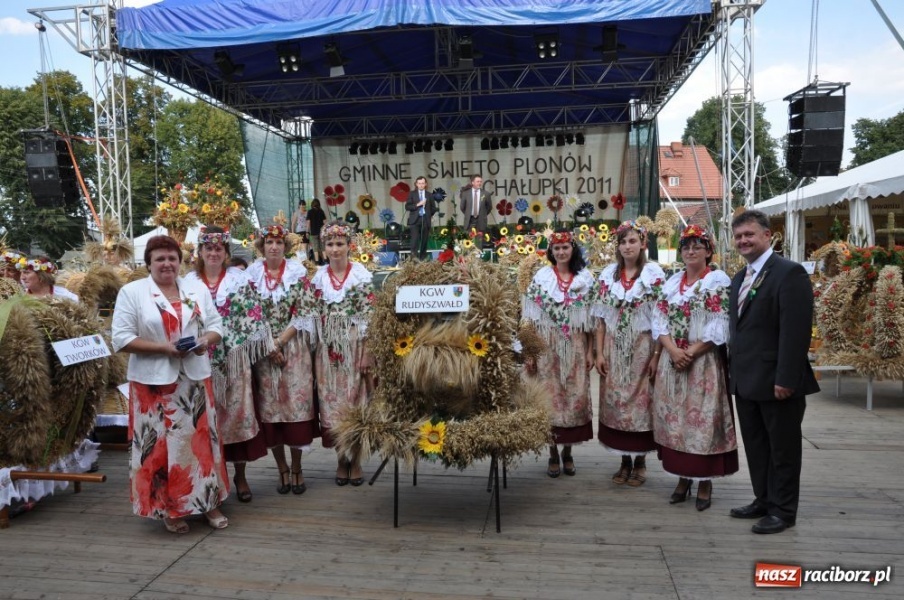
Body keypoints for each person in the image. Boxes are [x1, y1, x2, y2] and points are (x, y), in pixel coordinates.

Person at [111, 235, 229, 534]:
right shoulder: (132, 292)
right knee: (160, 448)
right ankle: (168, 507)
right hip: (153, 385)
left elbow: (217, 325)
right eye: (160, 259)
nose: (166, 264)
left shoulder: (195, 287)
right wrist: (165, 348)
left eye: (172, 258)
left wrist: (204, 341)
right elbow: (121, 339)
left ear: (180, 261)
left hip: (193, 379)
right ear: (148, 263)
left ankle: (208, 502)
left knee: (200, 445)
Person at [728, 209, 818, 534]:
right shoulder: (739, 278)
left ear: (768, 236)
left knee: (783, 449)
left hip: (776, 380)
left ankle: (783, 510)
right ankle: (763, 499)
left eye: (749, 234)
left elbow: (796, 332)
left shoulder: (788, 273)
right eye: (738, 236)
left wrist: (786, 378)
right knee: (756, 445)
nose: (743, 241)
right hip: (746, 379)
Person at [651, 225, 738, 511]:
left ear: (708, 251)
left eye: (697, 246)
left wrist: (689, 352)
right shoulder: (671, 282)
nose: (690, 251)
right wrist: (673, 351)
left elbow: (719, 326)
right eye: (686, 246)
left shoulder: (716, 281)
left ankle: (704, 480)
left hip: (702, 361)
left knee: (701, 420)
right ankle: (682, 477)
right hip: (673, 358)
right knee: (675, 419)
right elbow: (659, 320)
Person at [231, 224, 319, 496]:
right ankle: (281, 468)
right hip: (263, 350)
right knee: (272, 410)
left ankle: (296, 467)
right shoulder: (251, 276)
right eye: (269, 242)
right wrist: (269, 345)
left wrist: (280, 341)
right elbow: (249, 313)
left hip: (293, 348)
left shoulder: (298, 273)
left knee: (296, 408)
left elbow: (305, 311)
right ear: (261, 246)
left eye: (279, 243)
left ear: (286, 247)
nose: (274, 247)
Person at [183, 226, 263, 503]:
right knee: (205, 421)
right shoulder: (188, 283)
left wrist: (233, 348)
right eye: (209, 248)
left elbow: (253, 316)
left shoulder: (239, 280)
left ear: (226, 252)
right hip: (197, 361)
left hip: (233, 362)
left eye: (219, 248)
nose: (214, 252)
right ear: (200, 252)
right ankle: (210, 476)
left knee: (235, 420)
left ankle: (240, 477)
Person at [594, 220, 665, 487]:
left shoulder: (654, 274)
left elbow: (661, 319)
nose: (627, 246)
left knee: (641, 402)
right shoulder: (608, 275)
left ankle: (641, 462)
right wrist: (599, 353)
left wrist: (657, 355)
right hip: (614, 348)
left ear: (643, 244)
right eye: (623, 241)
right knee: (616, 401)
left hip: (643, 347)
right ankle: (624, 461)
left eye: (632, 241)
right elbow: (600, 318)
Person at [522, 230, 596, 477]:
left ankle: (568, 453)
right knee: (549, 397)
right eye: (557, 248)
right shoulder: (542, 278)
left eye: (565, 247)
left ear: (573, 249)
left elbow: (592, 320)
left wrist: (591, 351)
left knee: (574, 396)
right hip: (546, 346)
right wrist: (530, 352)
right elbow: (529, 319)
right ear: (551, 253)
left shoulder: (584, 279)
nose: (561, 252)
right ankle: (552, 453)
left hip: (575, 345)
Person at [310, 221, 375, 486]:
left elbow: (371, 317)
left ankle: (356, 459)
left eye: (339, 244)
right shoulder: (318, 278)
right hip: (327, 350)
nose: (335, 249)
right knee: (331, 404)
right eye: (330, 244)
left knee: (356, 402)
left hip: (355, 345)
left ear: (349, 246)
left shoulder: (361, 275)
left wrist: (369, 353)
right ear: (323, 248)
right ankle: (340, 458)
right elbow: (309, 316)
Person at [405, 176, 437, 260]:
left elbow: (433, 208)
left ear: (425, 184)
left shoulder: (429, 195)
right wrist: (418, 204)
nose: (421, 185)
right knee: (414, 240)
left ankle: (423, 259)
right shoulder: (412, 194)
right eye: (419, 183)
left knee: (424, 241)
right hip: (415, 220)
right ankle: (413, 259)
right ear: (416, 184)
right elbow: (407, 206)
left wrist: (428, 214)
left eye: (423, 183)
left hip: (425, 220)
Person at [458, 174, 492, 248]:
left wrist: (483, 214)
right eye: (477, 181)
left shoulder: (486, 194)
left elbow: (489, 207)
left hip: (481, 220)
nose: (479, 183)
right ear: (472, 182)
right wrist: (468, 214)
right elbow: (462, 207)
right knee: (469, 240)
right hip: (470, 220)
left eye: (480, 181)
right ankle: (470, 258)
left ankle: (479, 257)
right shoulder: (465, 194)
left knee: (479, 240)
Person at [306, 198, 327, 264]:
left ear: (312, 204)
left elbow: (308, 223)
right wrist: (324, 230)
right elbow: (325, 222)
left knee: (315, 248)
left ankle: (317, 262)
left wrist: (307, 232)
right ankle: (326, 261)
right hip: (321, 233)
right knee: (323, 248)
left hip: (313, 233)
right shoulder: (321, 211)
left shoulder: (310, 212)